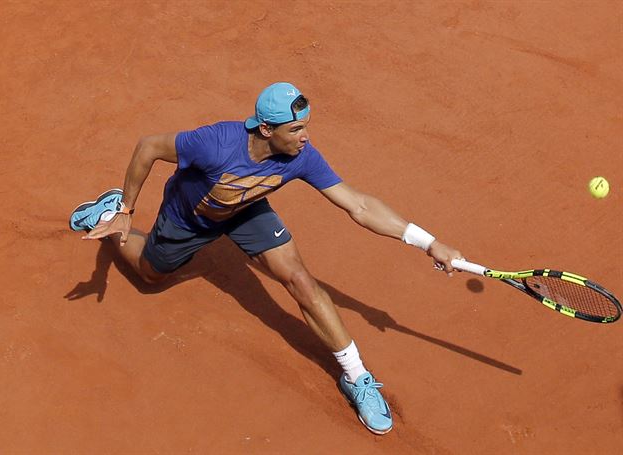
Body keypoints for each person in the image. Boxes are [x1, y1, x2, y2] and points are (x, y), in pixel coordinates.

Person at [69, 82, 463, 435]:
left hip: (247, 212)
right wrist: (126, 207)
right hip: (188, 218)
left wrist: (428, 242)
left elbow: (358, 205)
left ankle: (356, 375)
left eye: (305, 126)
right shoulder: (215, 143)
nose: (305, 138)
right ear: (266, 130)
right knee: (151, 275)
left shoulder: (301, 158)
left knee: (300, 280)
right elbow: (148, 146)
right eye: (296, 130)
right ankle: (106, 215)